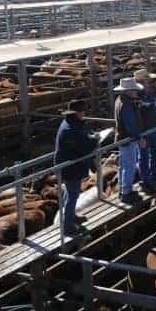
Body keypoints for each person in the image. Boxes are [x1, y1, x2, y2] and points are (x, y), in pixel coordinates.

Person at [54, 100, 98, 235]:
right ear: (76, 113)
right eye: (81, 111)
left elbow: (81, 141)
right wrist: (94, 141)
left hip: (73, 165)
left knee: (71, 192)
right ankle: (67, 225)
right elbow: (81, 149)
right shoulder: (69, 129)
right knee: (73, 194)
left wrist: (90, 137)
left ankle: (71, 216)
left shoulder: (71, 124)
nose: (83, 113)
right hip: (70, 166)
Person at [114, 77, 145, 204]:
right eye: (134, 90)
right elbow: (131, 125)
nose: (136, 92)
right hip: (128, 138)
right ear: (128, 91)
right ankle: (126, 192)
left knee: (124, 165)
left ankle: (123, 190)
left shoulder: (119, 101)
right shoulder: (126, 105)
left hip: (121, 137)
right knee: (130, 165)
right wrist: (139, 138)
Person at [134, 69, 156, 194]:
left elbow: (153, 103)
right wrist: (155, 105)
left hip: (152, 127)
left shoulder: (149, 93)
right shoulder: (137, 95)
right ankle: (146, 180)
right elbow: (141, 107)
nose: (150, 82)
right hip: (144, 130)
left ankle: (154, 176)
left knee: (155, 152)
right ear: (141, 81)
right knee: (144, 155)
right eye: (147, 80)